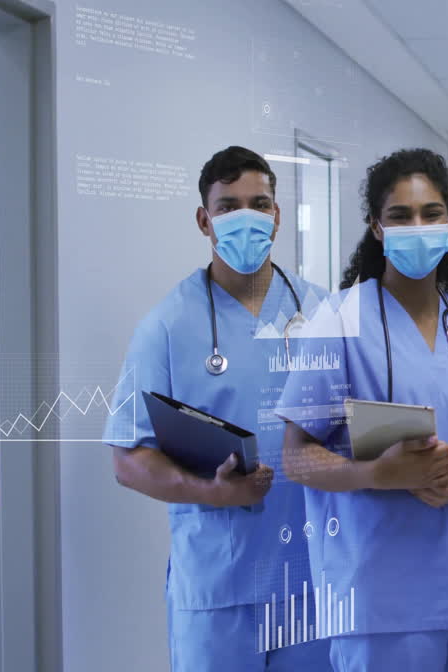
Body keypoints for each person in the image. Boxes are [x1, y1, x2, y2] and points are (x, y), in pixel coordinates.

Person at [277, 148, 448, 672]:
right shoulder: (336, 320)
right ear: (377, 228)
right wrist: (377, 473)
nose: (417, 227)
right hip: (374, 600)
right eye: (400, 216)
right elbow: (296, 458)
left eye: (430, 214)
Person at [105, 146, 331, 671]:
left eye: (259, 203)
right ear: (204, 220)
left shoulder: (323, 313)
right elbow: (128, 459)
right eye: (229, 206)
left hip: (313, 580)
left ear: (277, 215)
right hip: (219, 586)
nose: (246, 217)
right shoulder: (165, 326)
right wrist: (210, 490)